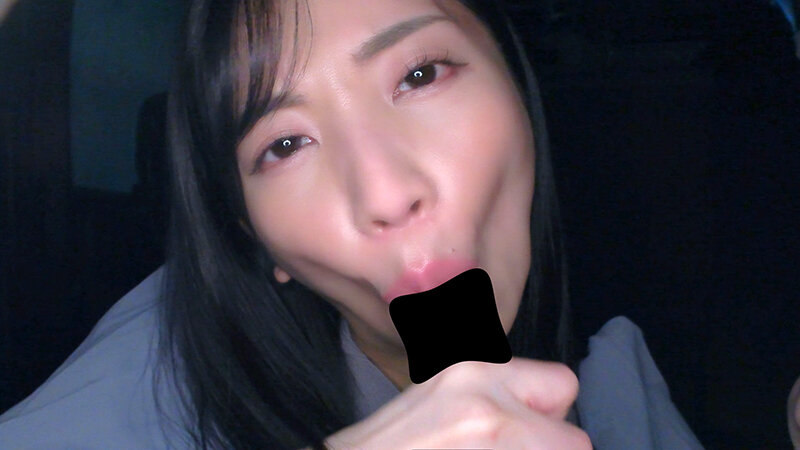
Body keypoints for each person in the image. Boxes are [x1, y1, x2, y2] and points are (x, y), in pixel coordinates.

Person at [0, 0, 704, 448]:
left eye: (420, 75)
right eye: (285, 145)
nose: (386, 194)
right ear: (253, 236)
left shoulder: (622, 379)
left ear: (516, 86)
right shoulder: (152, 385)